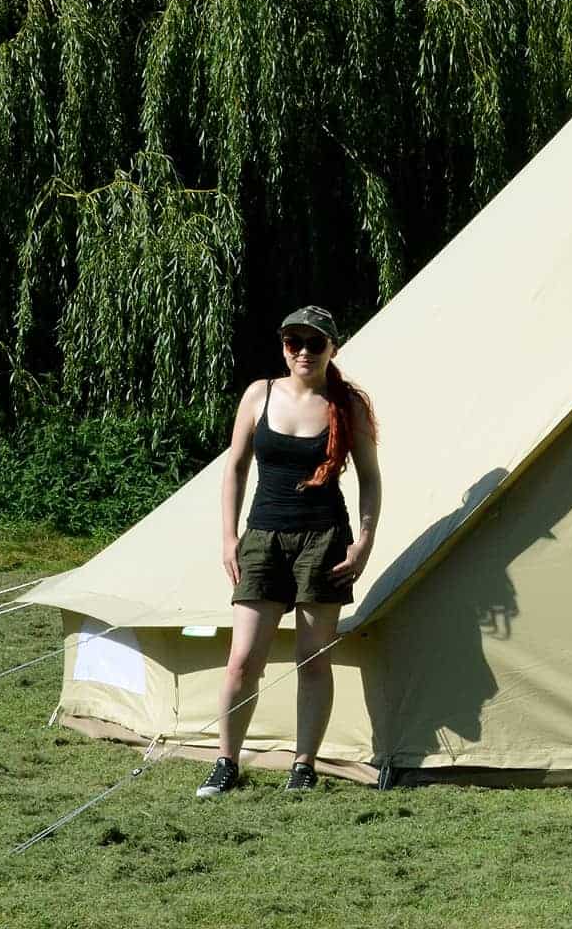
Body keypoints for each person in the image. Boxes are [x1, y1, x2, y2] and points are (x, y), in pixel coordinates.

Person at [197, 305, 381, 797]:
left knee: (313, 659)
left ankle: (304, 765)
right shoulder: (260, 393)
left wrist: (363, 543)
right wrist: (229, 538)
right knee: (242, 661)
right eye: (293, 341)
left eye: (314, 343)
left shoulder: (347, 405)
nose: (302, 351)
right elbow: (235, 467)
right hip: (262, 538)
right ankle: (225, 762)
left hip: (324, 541)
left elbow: (370, 480)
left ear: (332, 349)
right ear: (282, 346)